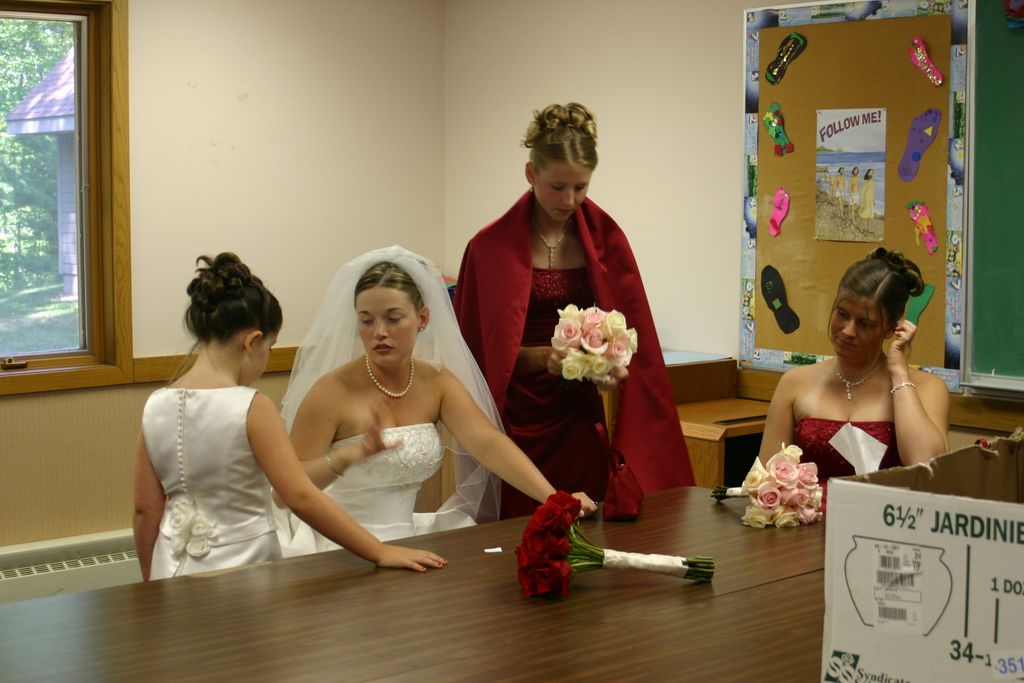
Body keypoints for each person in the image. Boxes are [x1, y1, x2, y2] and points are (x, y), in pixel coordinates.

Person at [133, 253, 446, 580]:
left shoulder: (156, 405)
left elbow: (145, 511)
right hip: (244, 568)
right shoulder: (252, 406)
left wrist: (149, 581)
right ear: (253, 342)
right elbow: (299, 496)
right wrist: (379, 551)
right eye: (270, 348)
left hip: (169, 566)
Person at [454, 102, 694, 519]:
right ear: (531, 175)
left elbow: (631, 329)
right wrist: (546, 359)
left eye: (580, 187)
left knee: (587, 519)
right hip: (516, 420)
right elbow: (478, 353)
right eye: (557, 187)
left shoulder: (605, 239)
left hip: (577, 416)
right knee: (520, 527)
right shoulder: (487, 248)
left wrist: (610, 365)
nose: (569, 200)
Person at [276, 246, 597, 556]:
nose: (379, 333)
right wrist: (347, 456)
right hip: (337, 546)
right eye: (367, 320)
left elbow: (487, 444)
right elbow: (284, 491)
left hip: (409, 541)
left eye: (393, 318)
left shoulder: (436, 381)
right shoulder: (331, 391)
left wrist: (553, 498)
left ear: (423, 319)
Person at [757, 248, 949, 480]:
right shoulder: (795, 381)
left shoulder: (928, 388)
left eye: (865, 324)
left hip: (884, 514)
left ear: (891, 329)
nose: (848, 331)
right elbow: (766, 480)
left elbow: (928, 470)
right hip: (807, 515)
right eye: (842, 314)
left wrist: (899, 372)